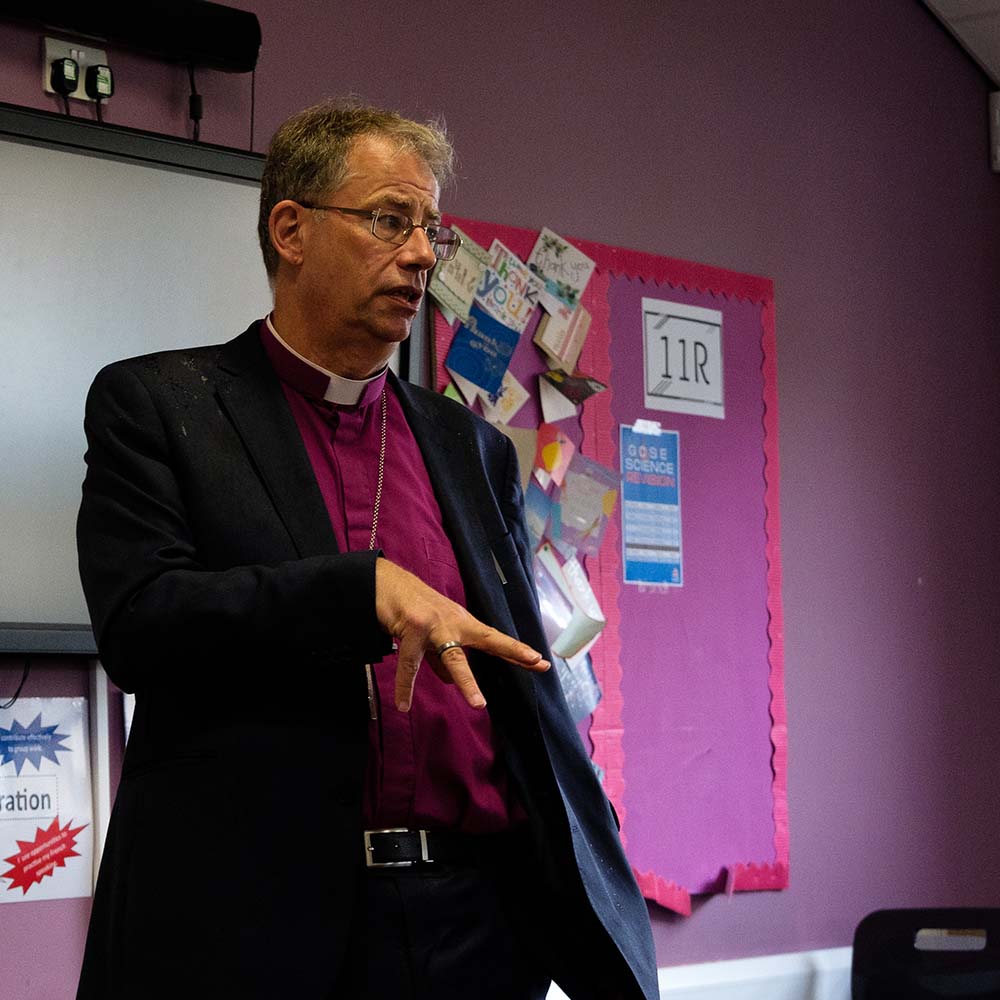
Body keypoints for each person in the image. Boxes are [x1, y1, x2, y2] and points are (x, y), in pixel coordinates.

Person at [75, 98, 658, 1000]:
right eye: (391, 219)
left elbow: (518, 689)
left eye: (433, 230)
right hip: (261, 929)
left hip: (474, 926)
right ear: (291, 229)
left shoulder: (471, 448)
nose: (422, 253)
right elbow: (141, 624)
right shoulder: (160, 405)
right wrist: (357, 593)